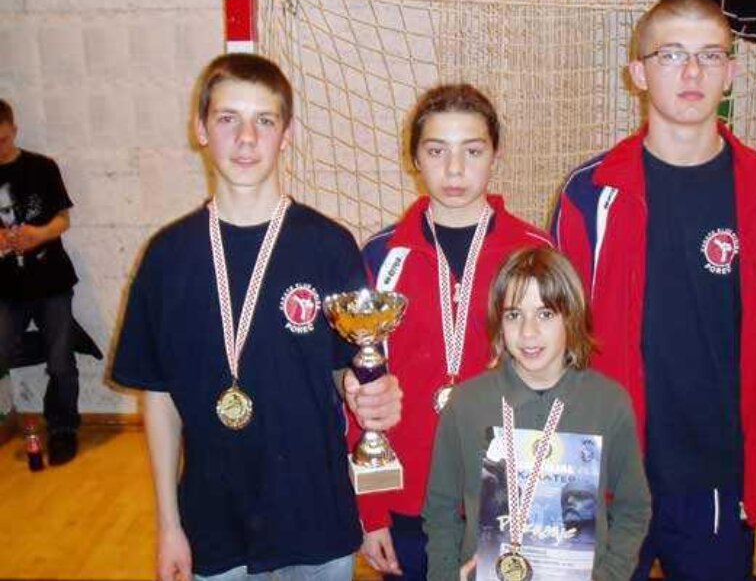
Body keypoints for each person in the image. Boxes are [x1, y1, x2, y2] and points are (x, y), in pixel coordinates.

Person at [112, 53, 402, 581]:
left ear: (286, 134)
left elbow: (347, 368)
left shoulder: (328, 245)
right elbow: (159, 397)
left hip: (316, 517)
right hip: (211, 521)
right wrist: (169, 525)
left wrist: (366, 392)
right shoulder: (167, 257)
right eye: (228, 118)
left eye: (264, 121)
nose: (246, 138)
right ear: (201, 129)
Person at [550, 0, 756, 580]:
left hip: (716, 476)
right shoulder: (589, 193)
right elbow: (561, 337)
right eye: (671, 55)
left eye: (709, 55)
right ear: (638, 73)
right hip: (606, 472)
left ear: (730, 72)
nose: (692, 72)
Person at [355, 84, 552, 579]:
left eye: (473, 151)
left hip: (512, 499)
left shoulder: (536, 252)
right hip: (410, 500)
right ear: (414, 159)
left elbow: (566, 382)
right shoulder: (382, 257)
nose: (456, 170)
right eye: (437, 151)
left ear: (496, 154)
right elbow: (362, 392)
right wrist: (371, 512)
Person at [423, 246, 650, 581]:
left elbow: (633, 507)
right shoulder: (466, 404)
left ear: (571, 316)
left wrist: (609, 575)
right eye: (514, 315)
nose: (528, 332)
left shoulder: (609, 403)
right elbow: (440, 509)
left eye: (545, 314)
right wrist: (445, 576)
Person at [0, 99, 81, 465]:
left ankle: (63, 429)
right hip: (7, 288)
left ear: (14, 130)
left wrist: (39, 234)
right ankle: (62, 342)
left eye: (3, 139)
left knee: (61, 363)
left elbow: (63, 219)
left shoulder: (42, 167)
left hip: (51, 282)